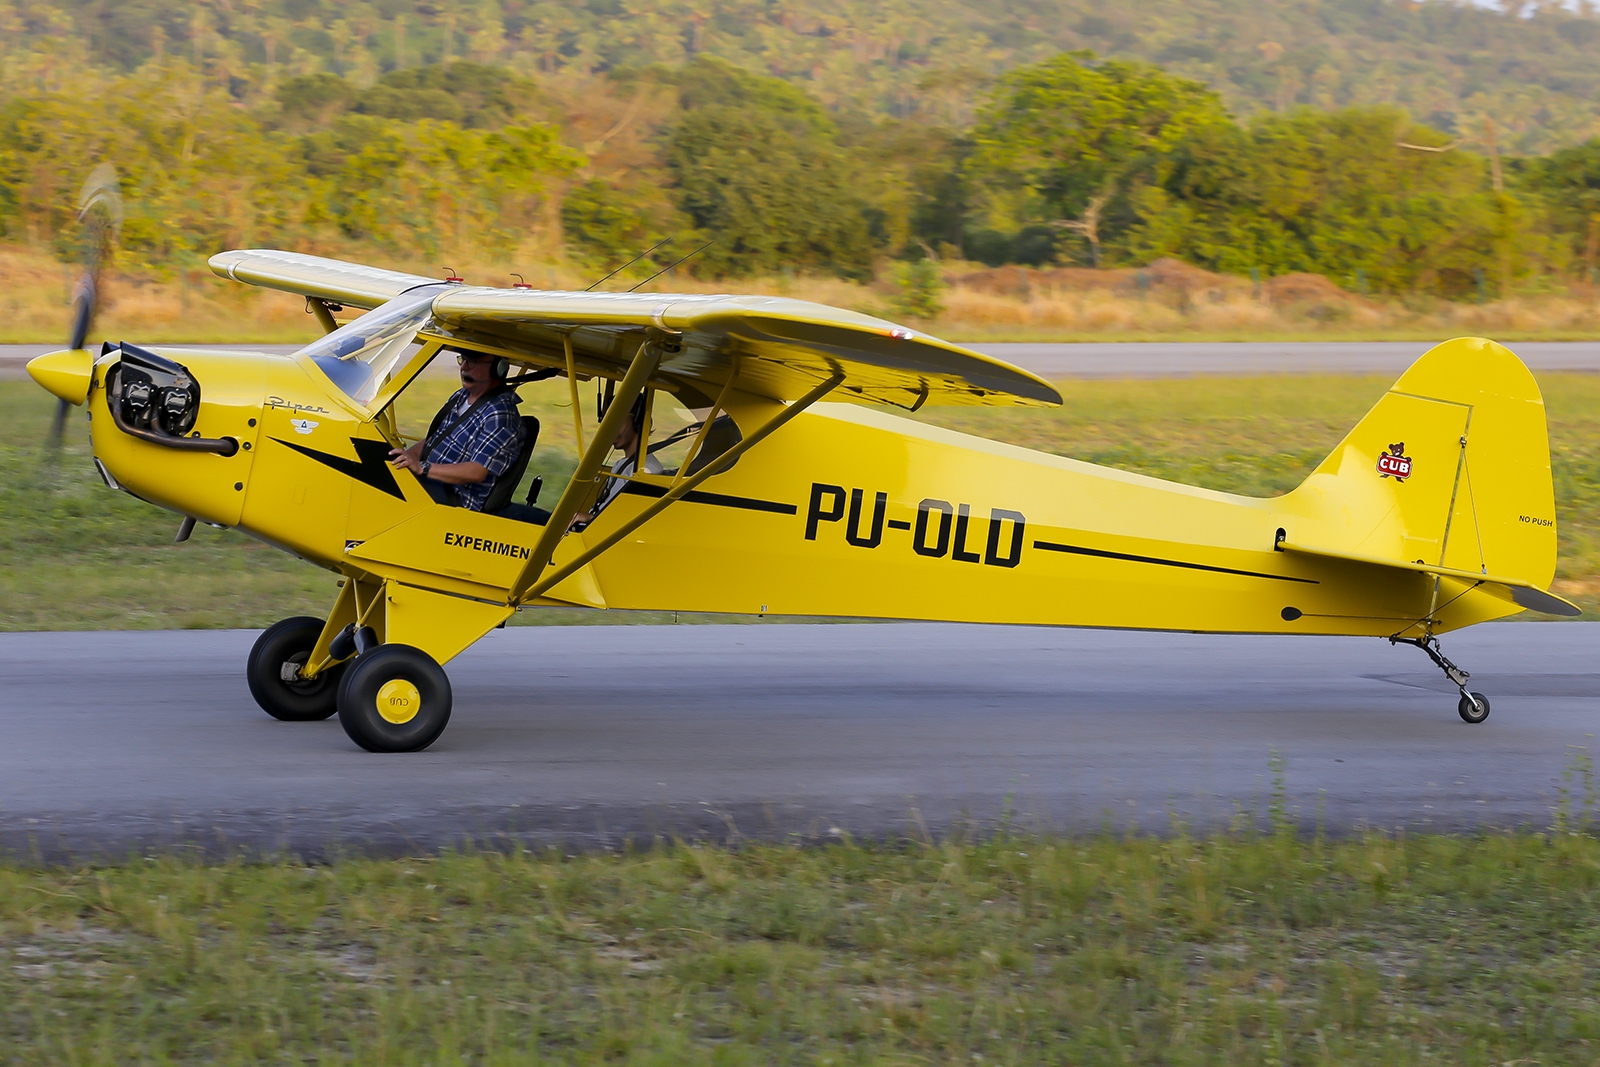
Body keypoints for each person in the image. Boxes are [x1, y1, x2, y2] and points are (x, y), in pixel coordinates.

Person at [389, 350, 523, 511]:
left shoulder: (500, 414)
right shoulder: (461, 396)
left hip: (456, 499)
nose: (464, 367)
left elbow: (477, 471)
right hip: (433, 482)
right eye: (463, 360)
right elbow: (435, 439)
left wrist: (422, 468)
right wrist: (405, 459)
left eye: (472, 362)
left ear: (498, 368)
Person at [569, 393, 663, 529]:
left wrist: (590, 518)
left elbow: (627, 522)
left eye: (617, 421)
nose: (610, 430)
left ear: (636, 421)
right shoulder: (621, 464)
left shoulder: (647, 470)